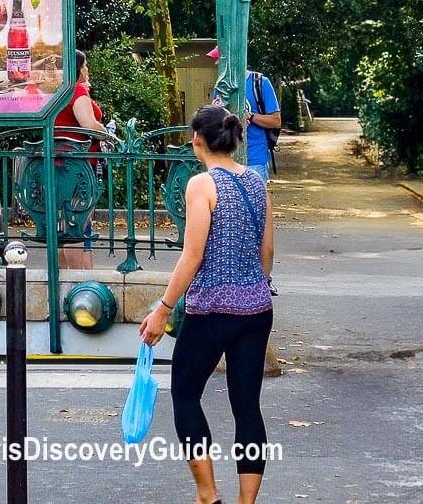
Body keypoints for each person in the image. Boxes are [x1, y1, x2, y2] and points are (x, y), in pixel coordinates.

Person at [140, 104, 274, 504]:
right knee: (247, 406)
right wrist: (255, 287)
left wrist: (163, 308)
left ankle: (207, 495)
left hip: (212, 310)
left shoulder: (202, 184)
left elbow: (192, 254)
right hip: (256, 309)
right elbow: (266, 248)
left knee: (184, 394)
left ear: (197, 139)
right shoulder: (255, 181)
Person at [54, 49, 108, 270]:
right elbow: (89, 125)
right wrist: (105, 132)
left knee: (66, 224)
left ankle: (73, 277)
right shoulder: (76, 92)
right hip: (78, 166)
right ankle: (78, 282)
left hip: (60, 162)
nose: (87, 70)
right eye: (85, 66)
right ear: (77, 68)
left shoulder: (59, 92)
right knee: (76, 224)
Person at [243, 70, 281, 184]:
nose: (216, 63)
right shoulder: (221, 87)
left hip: (255, 159)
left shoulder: (261, 83)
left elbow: (276, 121)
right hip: (226, 159)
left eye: (219, 59)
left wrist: (250, 116)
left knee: (257, 201)